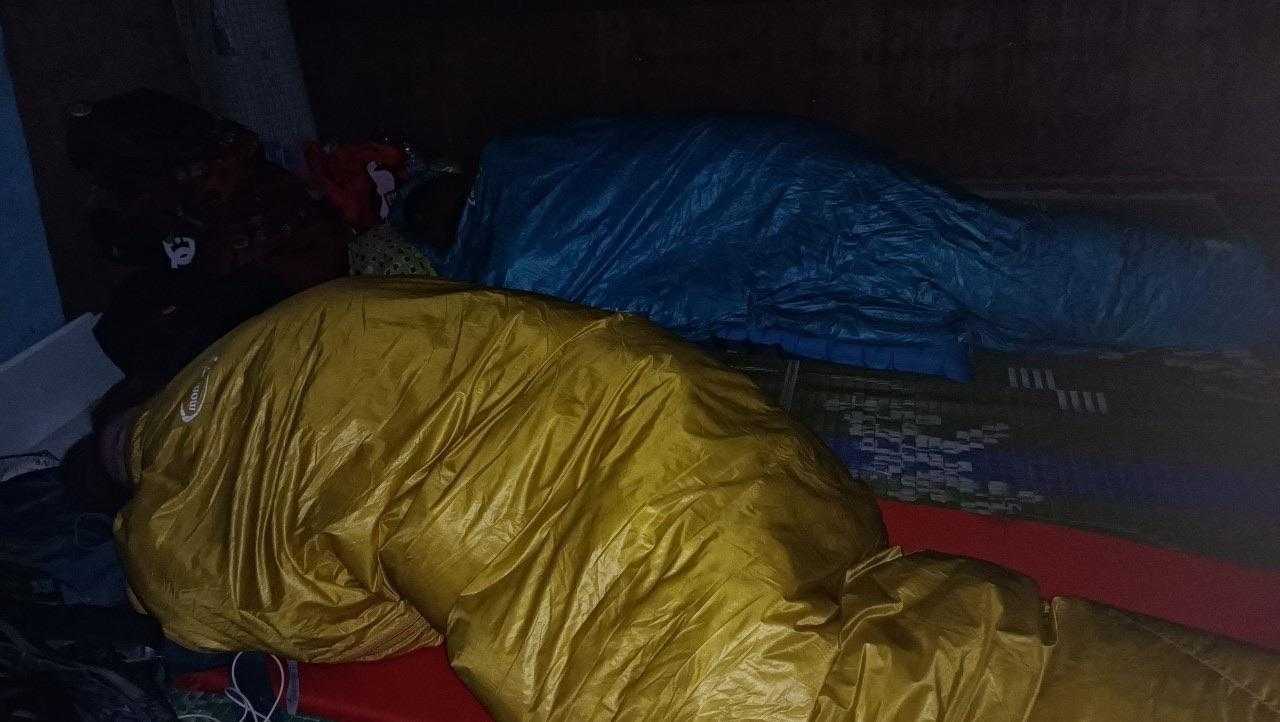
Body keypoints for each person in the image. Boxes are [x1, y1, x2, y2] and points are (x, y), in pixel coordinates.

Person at [114, 277, 1280, 721]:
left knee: (798, 680)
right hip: (718, 429)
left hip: (689, 603)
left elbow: (326, 621)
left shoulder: (175, 536)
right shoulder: (314, 317)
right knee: (917, 640)